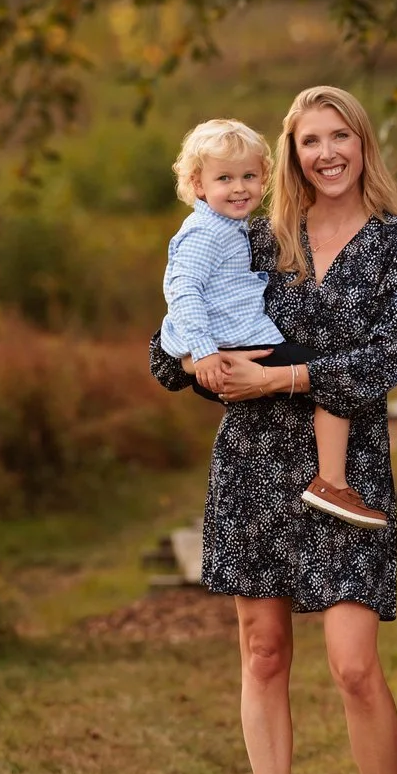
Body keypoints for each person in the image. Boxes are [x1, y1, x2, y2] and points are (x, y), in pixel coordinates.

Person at [149, 86, 397, 774]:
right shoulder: (257, 237)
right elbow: (174, 343)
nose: (327, 152)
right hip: (254, 462)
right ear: (292, 152)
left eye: (339, 135)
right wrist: (207, 366)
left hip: (349, 468)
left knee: (352, 664)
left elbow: (386, 359)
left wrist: (283, 374)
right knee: (263, 652)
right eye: (310, 139)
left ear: (362, 142)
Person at [157, 117, 384, 529]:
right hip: (234, 346)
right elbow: (182, 294)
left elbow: (384, 358)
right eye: (224, 178)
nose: (239, 187)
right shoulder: (206, 233)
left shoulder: (234, 230)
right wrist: (203, 355)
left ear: (265, 176)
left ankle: (328, 480)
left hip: (239, 345)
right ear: (198, 184)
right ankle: (331, 481)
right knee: (327, 375)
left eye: (249, 176)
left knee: (325, 373)